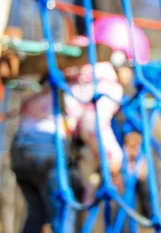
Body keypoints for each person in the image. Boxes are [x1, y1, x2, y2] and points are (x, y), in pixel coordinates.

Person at [10, 16, 150, 233]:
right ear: (120, 58)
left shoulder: (73, 62)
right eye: (131, 67)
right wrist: (114, 160)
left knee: (37, 215)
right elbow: (92, 124)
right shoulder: (106, 80)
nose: (130, 77)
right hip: (49, 144)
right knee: (65, 210)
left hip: (21, 144)